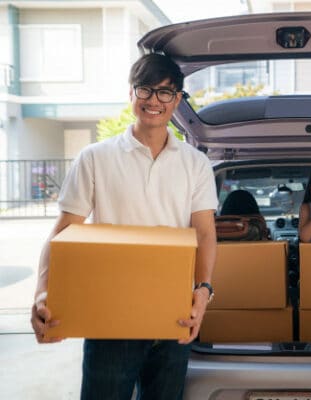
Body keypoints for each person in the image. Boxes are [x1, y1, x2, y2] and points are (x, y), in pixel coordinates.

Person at [30, 53, 218, 400]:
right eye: (145, 90)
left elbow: (205, 233)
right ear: (131, 94)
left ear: (177, 100)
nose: (154, 101)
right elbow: (62, 232)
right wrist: (43, 292)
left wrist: (202, 293)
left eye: (165, 93)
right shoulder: (96, 157)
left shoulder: (196, 163)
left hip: (173, 315)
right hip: (110, 318)